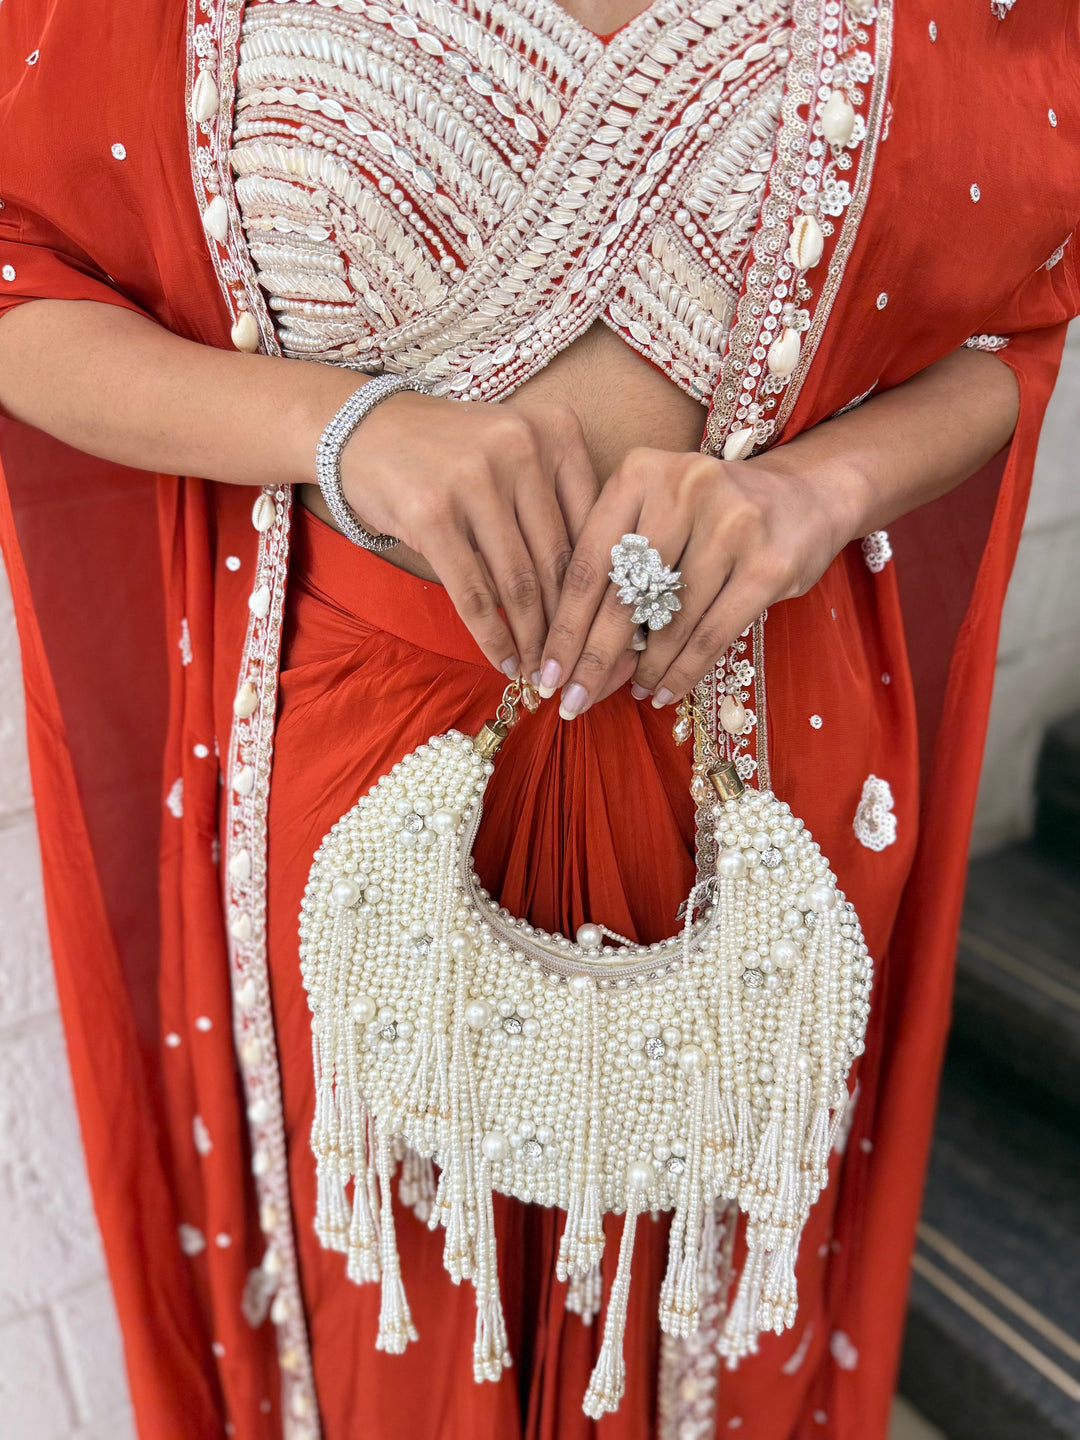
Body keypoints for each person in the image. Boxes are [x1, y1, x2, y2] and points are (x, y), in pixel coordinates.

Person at [0, 1, 1076, 1437]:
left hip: (753, 761)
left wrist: (822, 491)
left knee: (716, 1312)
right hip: (368, 778)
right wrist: (347, 430)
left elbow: (1023, 308)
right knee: (399, 1319)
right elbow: (18, 278)